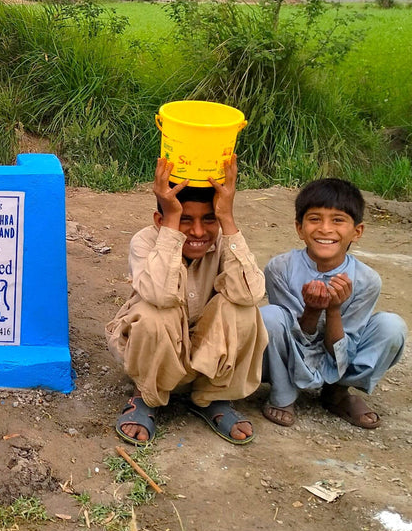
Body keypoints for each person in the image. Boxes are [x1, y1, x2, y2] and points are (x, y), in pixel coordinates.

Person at [106, 156, 267, 445]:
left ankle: (212, 396)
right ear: (160, 220)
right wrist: (171, 225)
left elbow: (251, 293)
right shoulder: (145, 241)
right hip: (159, 351)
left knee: (244, 310)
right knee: (155, 313)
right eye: (185, 219)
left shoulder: (224, 241)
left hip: (204, 355)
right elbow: (160, 295)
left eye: (209, 219)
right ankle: (146, 396)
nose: (198, 232)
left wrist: (227, 219)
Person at [260, 178, 405, 429]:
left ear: (357, 232)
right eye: (315, 219)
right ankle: (283, 393)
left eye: (338, 220)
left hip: (339, 355)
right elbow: (293, 337)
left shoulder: (367, 280)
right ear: (299, 228)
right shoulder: (280, 268)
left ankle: (337, 392)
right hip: (293, 352)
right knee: (269, 317)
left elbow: (346, 349)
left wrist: (334, 310)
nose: (325, 229)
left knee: (392, 327)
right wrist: (312, 310)